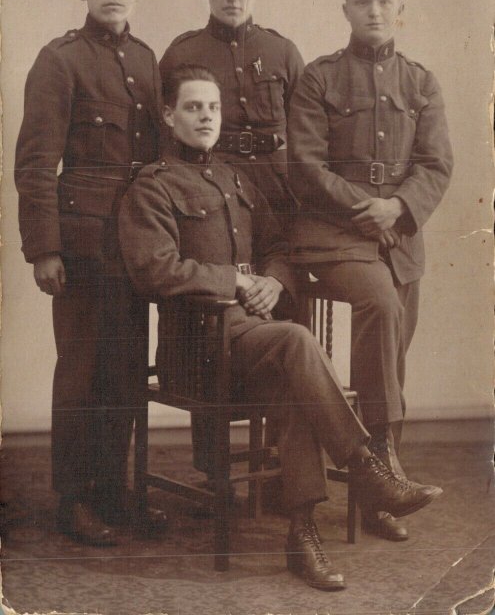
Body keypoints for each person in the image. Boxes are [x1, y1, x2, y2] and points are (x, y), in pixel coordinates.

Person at [118, 63, 443, 591]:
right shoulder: (152, 186)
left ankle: (302, 533)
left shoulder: (236, 178)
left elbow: (280, 249)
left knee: (295, 382)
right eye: (194, 107)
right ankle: (365, 468)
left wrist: (273, 281)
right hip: (196, 351)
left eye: (213, 107)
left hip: (256, 348)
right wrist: (236, 282)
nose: (206, 117)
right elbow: (154, 269)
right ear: (169, 114)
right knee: (296, 341)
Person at [287, 0, 453, 542]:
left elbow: (435, 165)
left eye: (385, 2)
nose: (375, 11)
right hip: (332, 236)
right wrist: (369, 209)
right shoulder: (319, 77)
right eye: (363, 3)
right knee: (380, 306)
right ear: (346, 10)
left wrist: (400, 209)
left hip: (400, 238)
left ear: (401, 9)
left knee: (394, 352)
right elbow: (306, 165)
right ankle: (380, 464)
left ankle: (375, 501)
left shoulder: (421, 82)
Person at [15, 0, 167, 546]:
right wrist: (43, 248)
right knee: (81, 370)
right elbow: (34, 164)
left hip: (135, 243)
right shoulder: (60, 60)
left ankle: (113, 490)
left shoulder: (149, 60)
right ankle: (73, 500)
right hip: (80, 245)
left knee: (126, 370)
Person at [159, 0, 304, 484]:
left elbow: (306, 136)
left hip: (275, 193)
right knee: (213, 320)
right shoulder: (183, 53)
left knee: (282, 318)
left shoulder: (283, 52)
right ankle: (214, 466)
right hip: (206, 188)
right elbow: (167, 135)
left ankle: (280, 468)